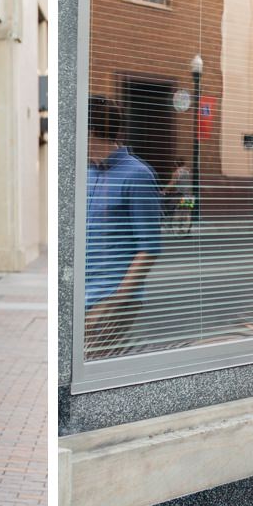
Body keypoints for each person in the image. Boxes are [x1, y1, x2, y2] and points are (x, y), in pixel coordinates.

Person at [84, 96, 161, 358]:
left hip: (108, 299)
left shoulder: (137, 175)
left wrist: (116, 303)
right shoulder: (83, 173)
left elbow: (149, 249)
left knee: (93, 378)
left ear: (91, 131)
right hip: (78, 298)